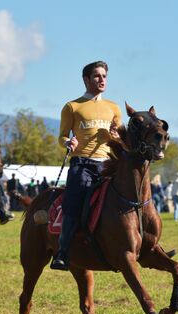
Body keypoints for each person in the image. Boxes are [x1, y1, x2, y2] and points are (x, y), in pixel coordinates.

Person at [50, 60, 122, 270]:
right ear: (86, 79)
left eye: (104, 76)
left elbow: (119, 136)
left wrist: (117, 137)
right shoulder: (72, 106)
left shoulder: (114, 108)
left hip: (109, 164)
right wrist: (68, 142)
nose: (102, 80)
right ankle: (62, 253)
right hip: (83, 164)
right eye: (97, 76)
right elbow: (62, 135)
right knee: (74, 202)